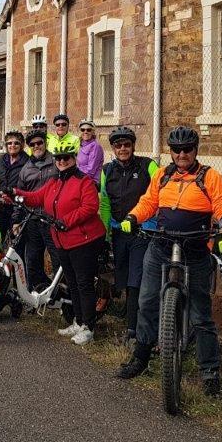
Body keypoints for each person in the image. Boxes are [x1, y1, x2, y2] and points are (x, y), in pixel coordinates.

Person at [116, 125, 222, 396]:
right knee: (146, 302)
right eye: (176, 150)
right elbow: (148, 202)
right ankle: (141, 357)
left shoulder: (210, 176)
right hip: (161, 245)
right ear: (170, 152)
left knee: (200, 314)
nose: (181, 154)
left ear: (195, 150)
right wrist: (132, 218)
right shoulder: (162, 175)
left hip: (194, 248)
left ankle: (210, 372)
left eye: (187, 149)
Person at [8, 137, 105, 346]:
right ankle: (78, 321)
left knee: (83, 284)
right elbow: (36, 197)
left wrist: (65, 221)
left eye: (66, 158)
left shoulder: (85, 181)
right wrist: (15, 193)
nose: (61, 161)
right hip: (62, 241)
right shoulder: (54, 182)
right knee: (71, 283)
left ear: (74, 159)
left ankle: (88, 328)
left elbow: (90, 207)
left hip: (84, 241)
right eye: (59, 158)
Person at [97, 126, 159, 341]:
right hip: (118, 232)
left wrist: (148, 221)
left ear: (133, 146)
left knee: (136, 279)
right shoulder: (107, 171)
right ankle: (133, 323)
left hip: (143, 231)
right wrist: (105, 236)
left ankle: (133, 330)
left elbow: (159, 194)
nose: (122, 149)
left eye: (126, 145)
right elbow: (104, 204)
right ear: (113, 148)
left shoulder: (147, 166)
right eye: (118, 145)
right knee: (123, 279)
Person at [15, 128, 57, 290]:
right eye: (33, 144)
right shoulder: (26, 169)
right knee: (32, 259)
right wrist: (16, 221)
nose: (36, 146)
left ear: (45, 143)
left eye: (39, 143)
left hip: (52, 219)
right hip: (32, 220)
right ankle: (35, 290)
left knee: (56, 257)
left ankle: (61, 292)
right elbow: (20, 197)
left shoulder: (56, 162)